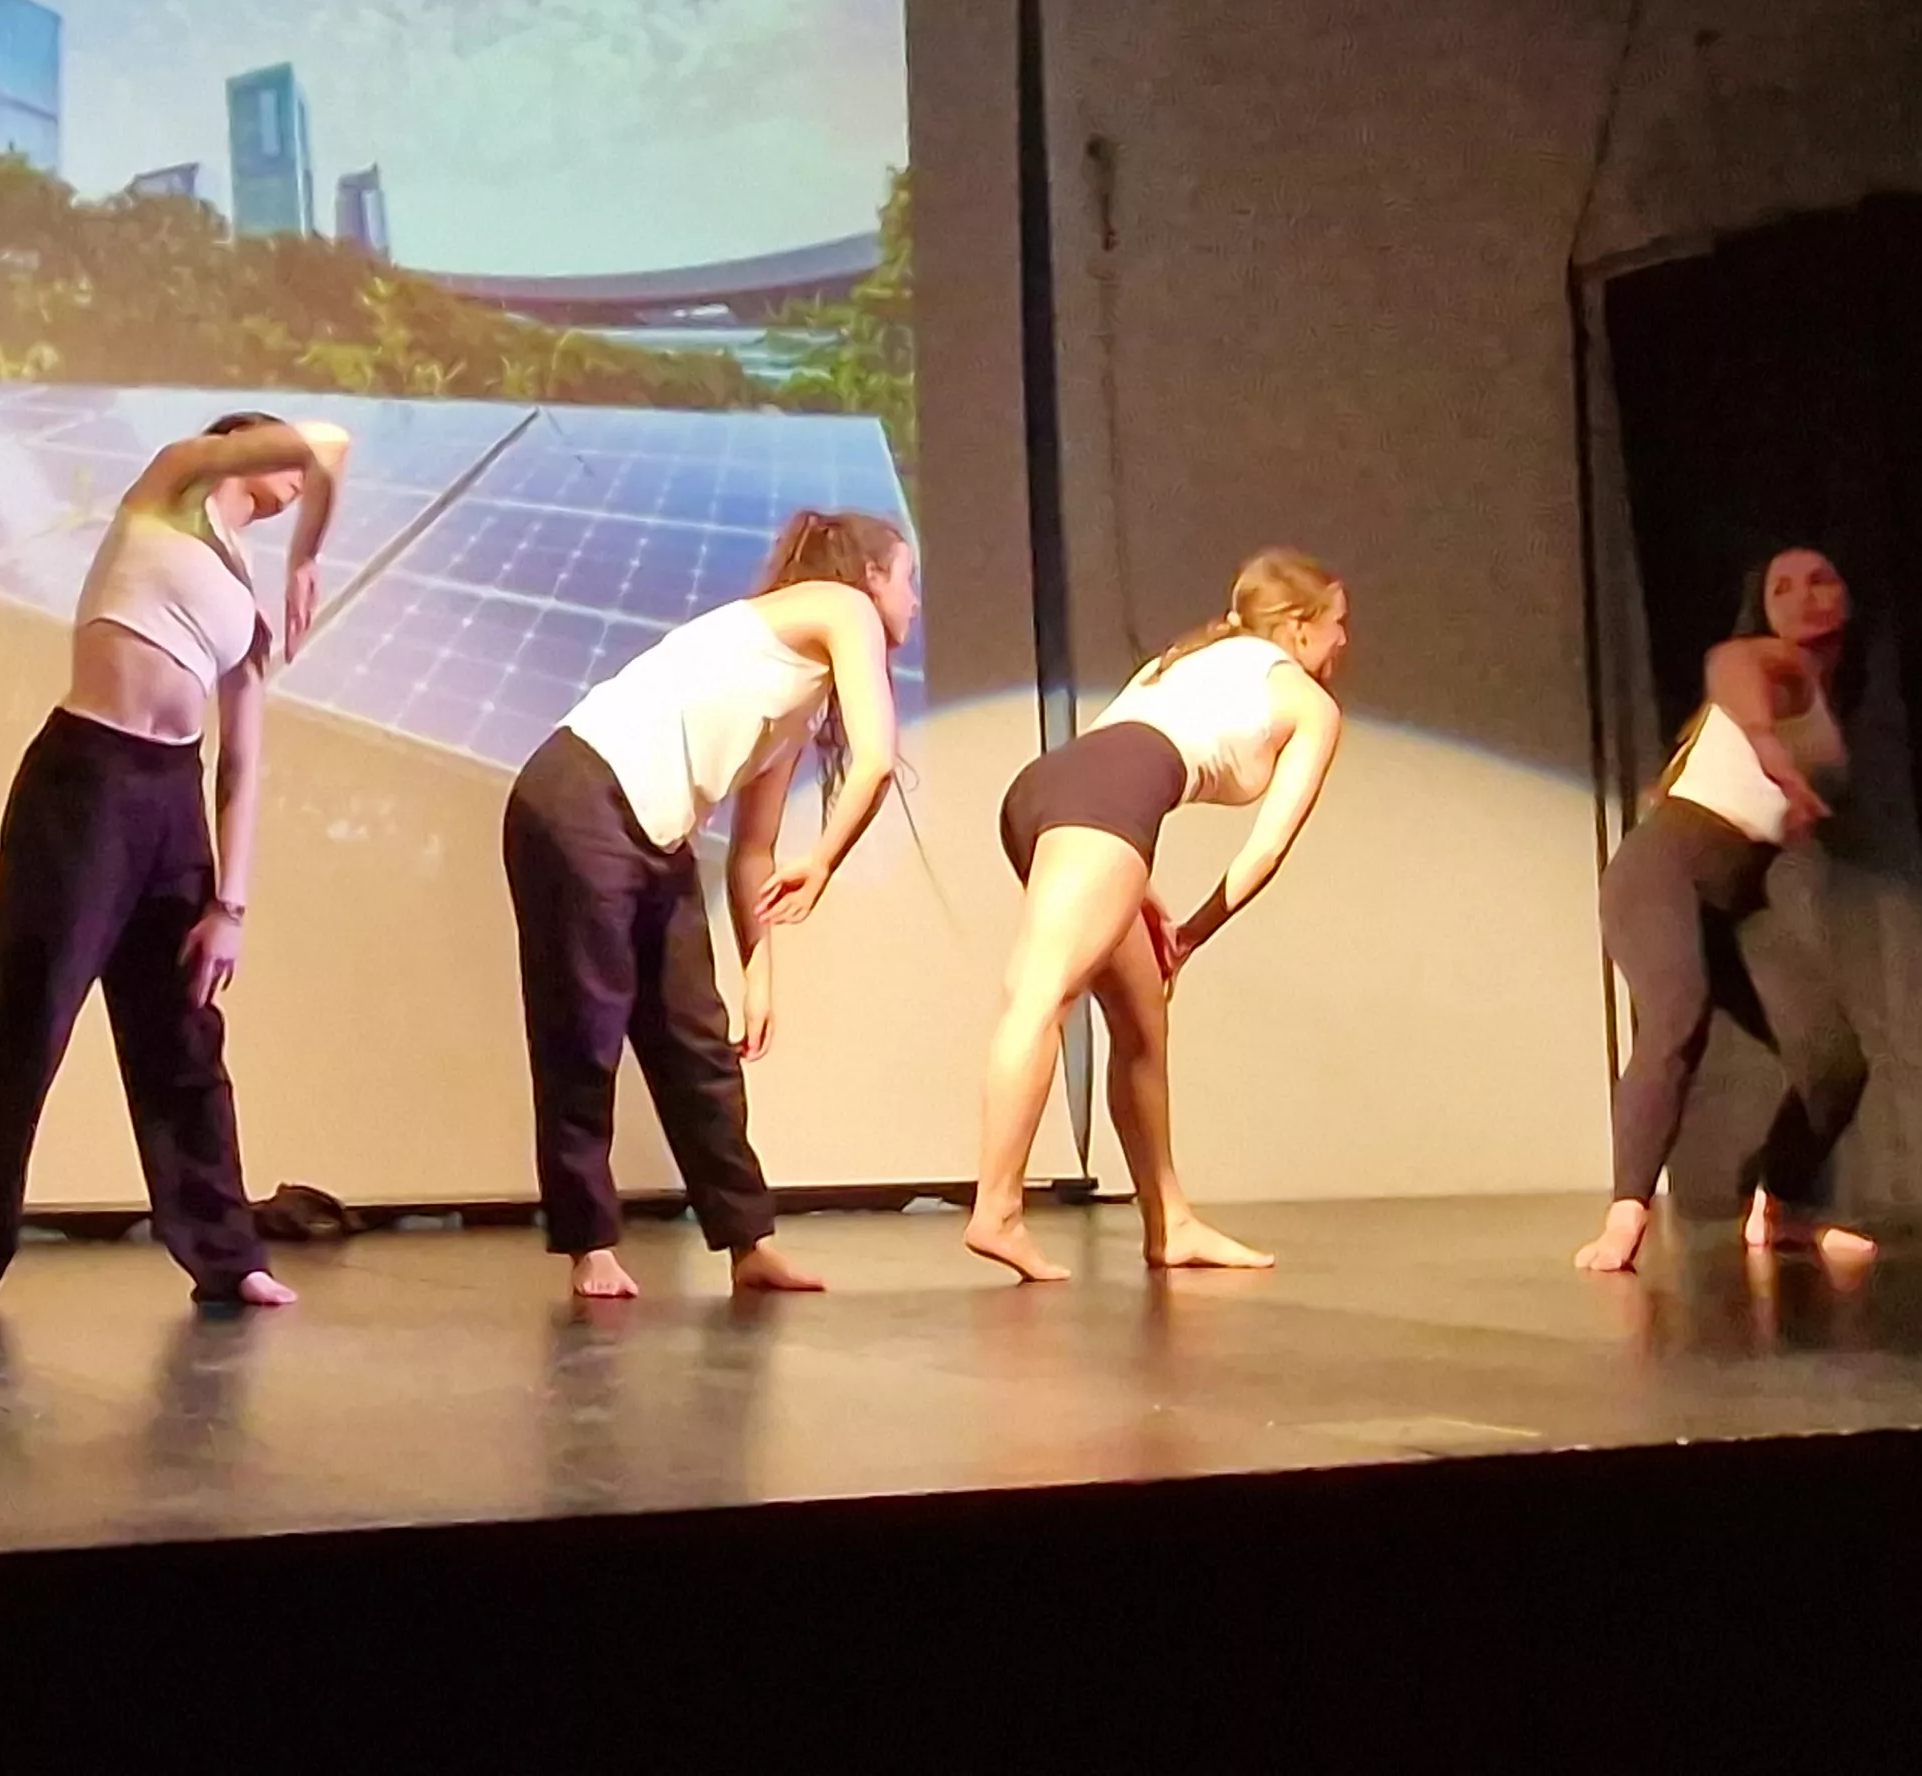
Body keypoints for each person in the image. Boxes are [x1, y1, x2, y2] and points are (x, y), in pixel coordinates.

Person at [0, 410, 351, 1315]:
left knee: (184, 1040)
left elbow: (242, 762)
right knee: (29, 1025)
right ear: (243, 444)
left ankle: (228, 1254)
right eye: (279, 467)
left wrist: (231, 902)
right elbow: (328, 441)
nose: (297, 483)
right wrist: (311, 551)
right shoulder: (172, 482)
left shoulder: (246, 603)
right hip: (86, 780)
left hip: (171, 800)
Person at [506, 510, 917, 1301]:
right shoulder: (841, 608)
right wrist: (827, 860)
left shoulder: (797, 692)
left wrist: (761, 970)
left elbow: (755, 852)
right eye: (908, 579)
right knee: (584, 1031)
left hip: (655, 832)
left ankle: (748, 1242)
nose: (913, 602)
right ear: (868, 578)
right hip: (580, 794)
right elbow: (874, 763)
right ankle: (589, 1247)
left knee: (698, 1043)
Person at [962, 550, 1350, 1283]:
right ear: (1299, 628)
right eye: (1336, 625)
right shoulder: (1308, 705)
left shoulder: (1184, 658)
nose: (1343, 643)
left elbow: (1115, 764)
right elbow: (1265, 849)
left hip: (1052, 790)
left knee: (1142, 1021)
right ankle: (998, 1212)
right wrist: (1193, 933)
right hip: (1104, 801)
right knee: (1040, 994)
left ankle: (1170, 1222)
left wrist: (1139, 895)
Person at [1575, 546, 1875, 1274]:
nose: (1804, 596)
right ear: (1765, 610)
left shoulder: (1834, 700)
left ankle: (1778, 1208)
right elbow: (1728, 669)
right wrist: (1770, 752)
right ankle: (1626, 1216)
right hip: (1663, 869)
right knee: (1679, 1014)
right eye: (1783, 587)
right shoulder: (1769, 662)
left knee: (1835, 1064)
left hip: (1741, 896)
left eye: (1821, 580)